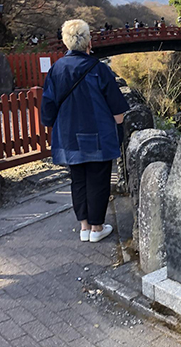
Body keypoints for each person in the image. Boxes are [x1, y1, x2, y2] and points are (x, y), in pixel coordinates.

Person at [41, 19, 129, 243]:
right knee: (98, 180)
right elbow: (117, 109)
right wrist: (119, 128)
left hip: (69, 134)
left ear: (66, 42)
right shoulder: (99, 69)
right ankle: (97, 227)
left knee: (77, 179)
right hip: (98, 134)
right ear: (89, 41)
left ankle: (84, 226)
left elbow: (48, 108)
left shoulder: (56, 69)